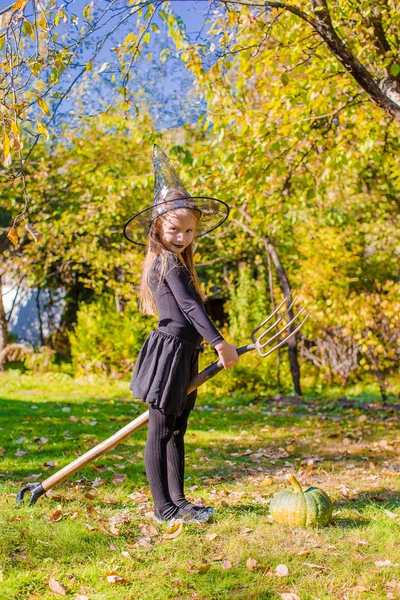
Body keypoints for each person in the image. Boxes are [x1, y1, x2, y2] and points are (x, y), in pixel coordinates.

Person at [123, 145, 239, 523]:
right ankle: (164, 509)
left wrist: (204, 346)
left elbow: (192, 308)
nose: (182, 237)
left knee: (177, 429)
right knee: (160, 430)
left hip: (186, 352)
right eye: (174, 229)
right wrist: (220, 342)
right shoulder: (166, 262)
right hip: (169, 353)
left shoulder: (178, 260)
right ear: (158, 226)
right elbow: (190, 308)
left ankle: (179, 502)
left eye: (189, 231)